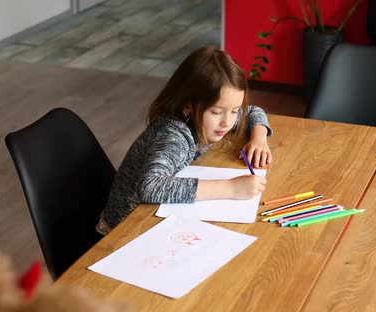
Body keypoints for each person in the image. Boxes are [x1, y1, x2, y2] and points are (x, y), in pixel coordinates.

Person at [96, 46, 273, 235]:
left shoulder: (213, 118)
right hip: (125, 230)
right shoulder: (173, 135)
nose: (227, 122)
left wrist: (259, 139)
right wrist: (231, 188)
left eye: (234, 110)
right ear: (188, 105)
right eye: (216, 112)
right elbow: (150, 186)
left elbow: (253, 112)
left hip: (155, 217)